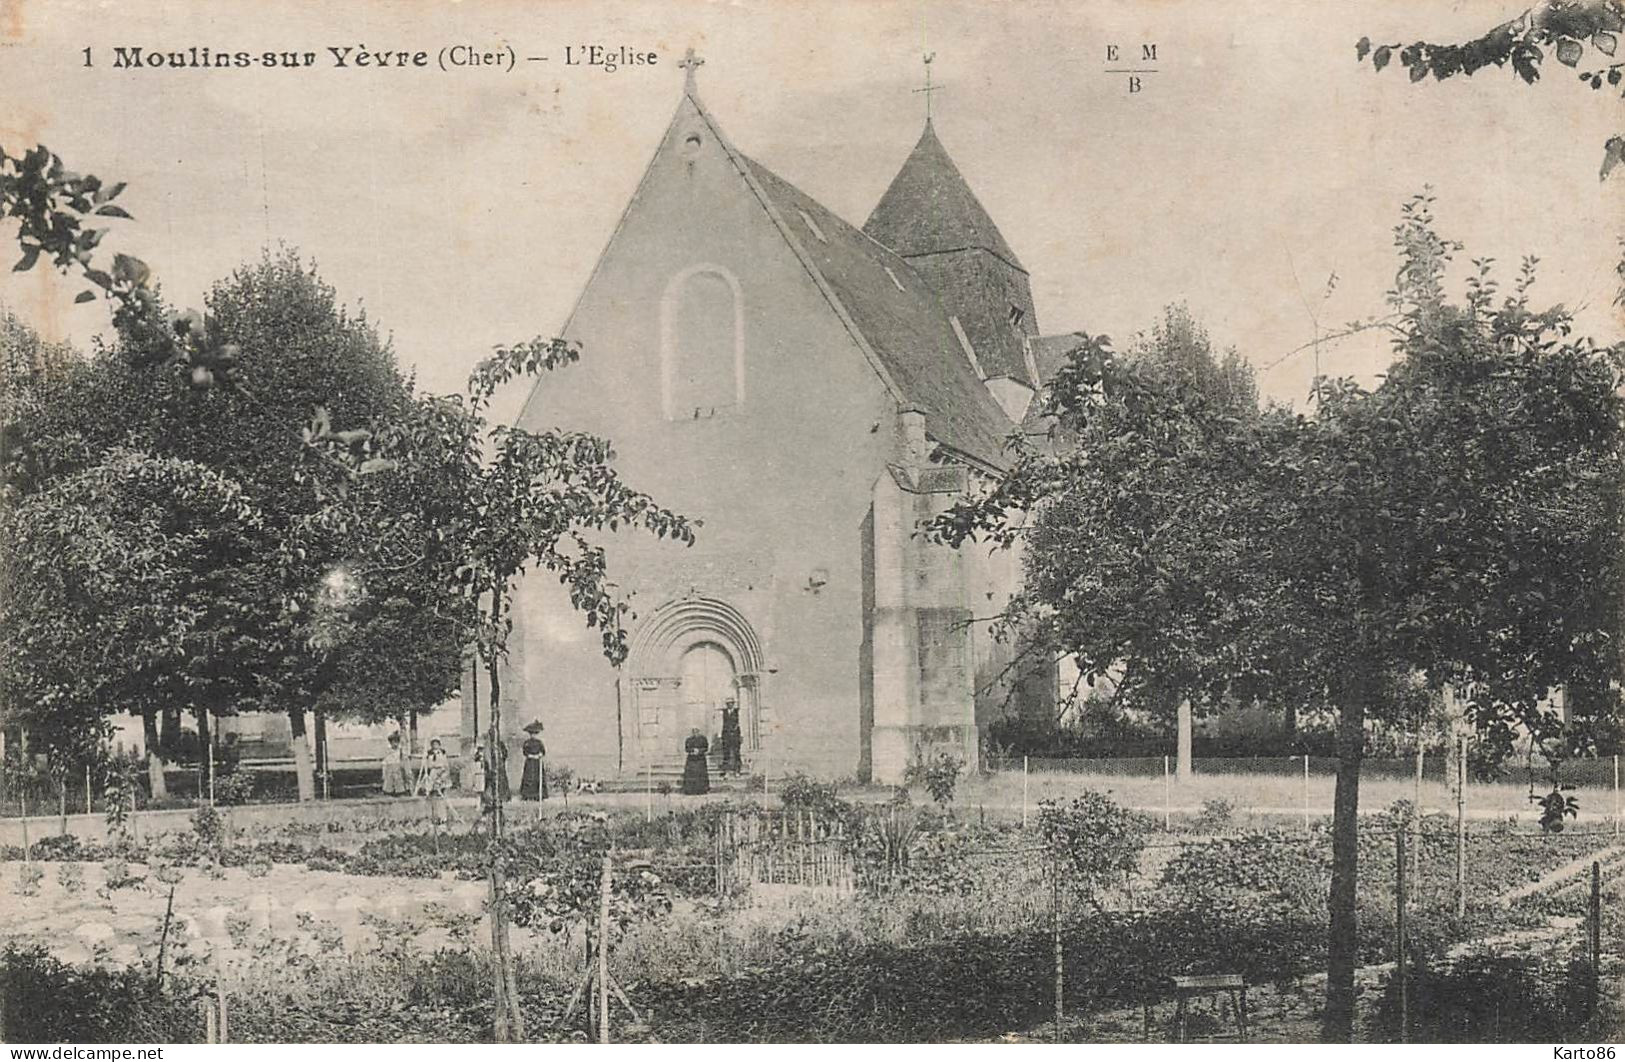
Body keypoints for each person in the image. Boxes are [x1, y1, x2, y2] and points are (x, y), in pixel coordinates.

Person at [415, 737, 451, 824]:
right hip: (433, 775)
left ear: (439, 744)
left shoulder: (442, 754)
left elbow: (446, 766)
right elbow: (428, 766)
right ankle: (434, 816)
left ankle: (443, 817)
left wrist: (442, 776)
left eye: (437, 744)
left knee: (442, 796)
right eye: (433, 744)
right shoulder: (429, 755)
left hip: (442, 774)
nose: (435, 746)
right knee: (433, 796)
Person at [520, 720, 548, 801]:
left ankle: (539, 795)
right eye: (532, 734)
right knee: (529, 778)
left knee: (538, 778)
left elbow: (543, 752)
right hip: (530, 762)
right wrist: (531, 756)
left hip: (537, 763)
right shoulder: (527, 743)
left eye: (535, 734)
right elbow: (525, 752)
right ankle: (528, 796)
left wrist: (539, 755)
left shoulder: (539, 743)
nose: (533, 735)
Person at [682, 727, 710, 795]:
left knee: (701, 774)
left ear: (699, 732)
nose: (695, 733)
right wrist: (692, 751)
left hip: (700, 759)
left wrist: (699, 751)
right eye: (694, 731)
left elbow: (706, 748)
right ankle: (690, 790)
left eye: (696, 731)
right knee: (691, 774)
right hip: (691, 759)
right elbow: (686, 749)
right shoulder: (689, 740)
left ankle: (702, 790)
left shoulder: (703, 739)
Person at [380, 732, 410, 796]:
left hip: (397, 767)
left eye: (397, 742)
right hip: (389, 767)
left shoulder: (400, 751)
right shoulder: (388, 751)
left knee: (398, 780)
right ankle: (388, 792)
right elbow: (384, 762)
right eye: (393, 742)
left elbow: (404, 760)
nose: (395, 744)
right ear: (390, 743)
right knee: (389, 781)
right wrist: (384, 772)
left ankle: (400, 792)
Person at [720, 700, 743, 776]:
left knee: (736, 753)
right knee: (726, 753)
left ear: (733, 704)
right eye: (728, 704)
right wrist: (720, 736)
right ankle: (726, 771)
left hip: (735, 735)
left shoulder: (737, 712)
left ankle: (737, 770)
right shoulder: (724, 713)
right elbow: (721, 724)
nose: (730, 705)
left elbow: (741, 724)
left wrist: (741, 735)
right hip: (726, 736)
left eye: (731, 703)